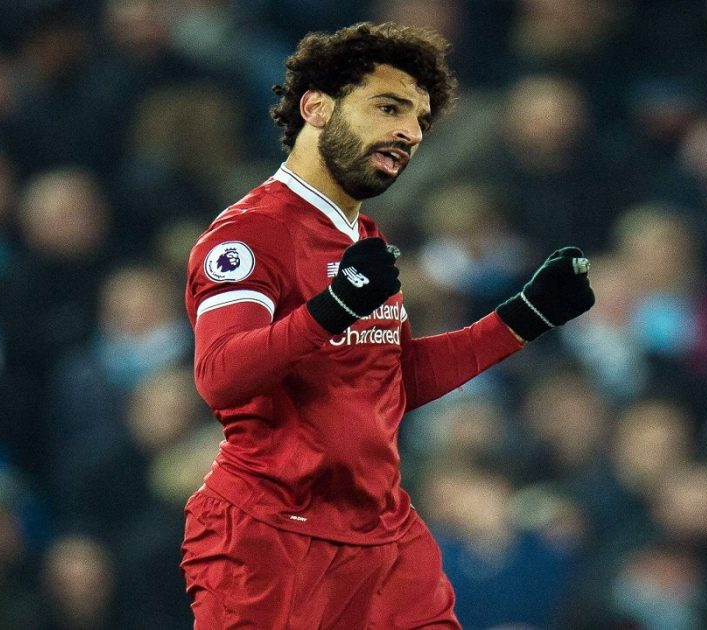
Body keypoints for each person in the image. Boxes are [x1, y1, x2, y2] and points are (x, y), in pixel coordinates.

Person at [178, 22, 595, 629]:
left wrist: (526, 315)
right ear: (316, 107)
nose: (410, 132)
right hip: (272, 536)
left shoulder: (364, 238)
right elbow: (220, 376)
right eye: (388, 107)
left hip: (381, 532)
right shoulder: (249, 234)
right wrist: (333, 308)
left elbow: (390, 381)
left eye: (420, 119)